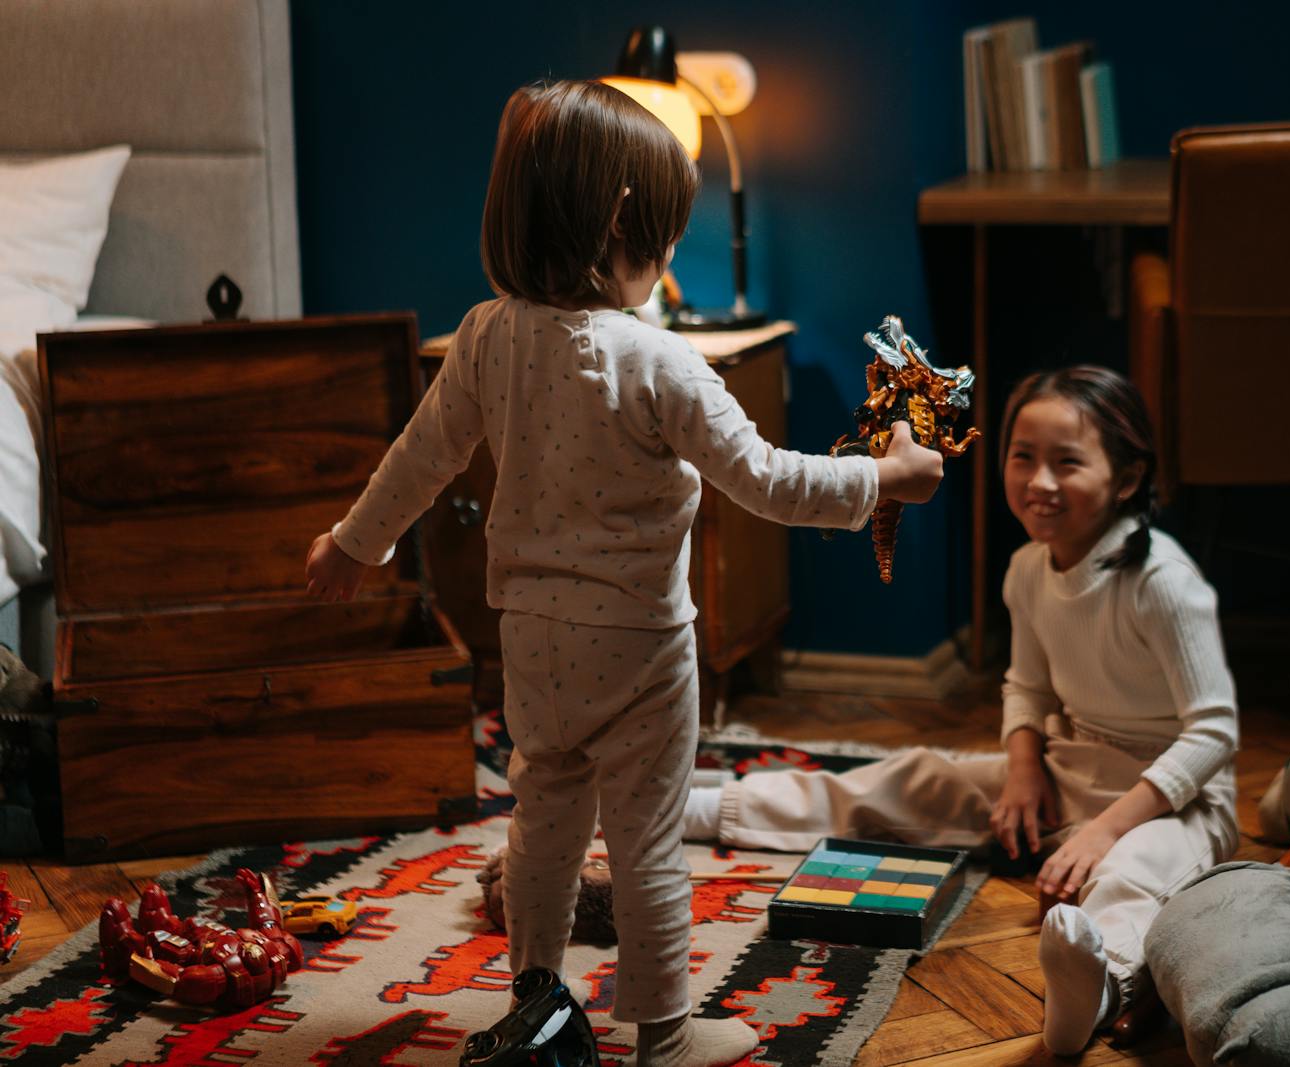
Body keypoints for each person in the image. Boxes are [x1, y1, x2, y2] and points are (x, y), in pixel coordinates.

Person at [303, 79, 944, 1067]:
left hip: (530, 637)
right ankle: (664, 1033)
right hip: (642, 645)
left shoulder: (483, 335)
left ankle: (532, 1005)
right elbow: (770, 481)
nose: (673, 258)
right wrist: (885, 475)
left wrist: (354, 543)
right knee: (644, 842)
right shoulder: (661, 363)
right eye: (667, 236)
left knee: (543, 823)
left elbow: (419, 456)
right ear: (618, 225)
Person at [677, 365, 1239, 1054]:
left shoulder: (1164, 583)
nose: (1040, 482)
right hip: (1072, 765)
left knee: (1134, 872)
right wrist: (1025, 769)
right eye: (1023, 457)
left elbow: (1214, 732)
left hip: (1176, 802)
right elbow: (1026, 687)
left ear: (1126, 478)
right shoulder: (1029, 568)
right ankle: (712, 808)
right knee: (912, 776)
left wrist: (1104, 831)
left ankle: (1093, 984)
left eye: (1068, 462)